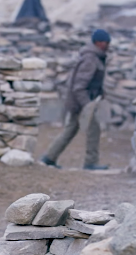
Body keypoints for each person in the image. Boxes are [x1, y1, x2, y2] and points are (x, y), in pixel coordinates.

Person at [41, 29, 111, 170]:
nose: (108, 45)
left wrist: (101, 93)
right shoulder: (90, 59)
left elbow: (92, 82)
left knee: (70, 130)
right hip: (82, 102)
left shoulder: (95, 57)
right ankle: (91, 162)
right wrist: (88, 106)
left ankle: (49, 157)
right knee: (93, 130)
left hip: (81, 101)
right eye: (106, 42)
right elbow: (79, 86)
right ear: (98, 43)